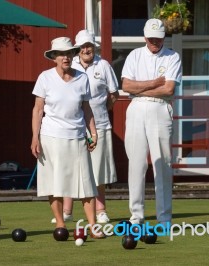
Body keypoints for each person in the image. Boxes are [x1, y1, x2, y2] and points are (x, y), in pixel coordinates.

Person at [30, 36, 104, 238]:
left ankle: (93, 226)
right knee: (54, 184)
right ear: (53, 57)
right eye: (61, 53)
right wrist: (35, 138)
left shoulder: (82, 78)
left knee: (86, 183)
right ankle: (60, 224)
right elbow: (38, 110)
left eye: (69, 53)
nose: (66, 57)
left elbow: (86, 108)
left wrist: (94, 133)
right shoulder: (45, 78)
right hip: (50, 137)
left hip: (78, 137)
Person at [50, 30, 119, 224]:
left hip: (101, 124)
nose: (86, 49)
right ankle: (67, 212)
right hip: (77, 126)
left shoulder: (103, 65)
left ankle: (101, 210)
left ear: (94, 47)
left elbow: (113, 93)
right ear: (77, 50)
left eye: (89, 45)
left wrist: (102, 111)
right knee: (72, 169)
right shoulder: (70, 65)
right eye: (82, 47)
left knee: (98, 171)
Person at [121, 19, 182, 226]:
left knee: (162, 164)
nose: (154, 41)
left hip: (160, 107)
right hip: (137, 107)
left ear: (164, 37)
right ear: (145, 36)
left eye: (158, 37)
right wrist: (153, 82)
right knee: (136, 164)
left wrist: (141, 87)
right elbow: (127, 86)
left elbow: (169, 89)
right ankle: (136, 216)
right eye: (151, 37)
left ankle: (164, 218)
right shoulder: (134, 55)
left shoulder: (173, 56)